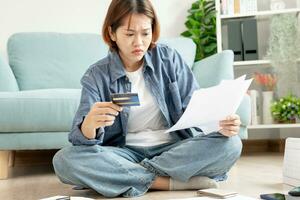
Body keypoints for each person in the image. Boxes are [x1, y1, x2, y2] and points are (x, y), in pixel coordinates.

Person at [53, 0, 242, 198]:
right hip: (122, 152)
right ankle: (165, 182)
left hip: (172, 148)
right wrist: (89, 125)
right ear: (111, 33)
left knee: (231, 144)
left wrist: (221, 123)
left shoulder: (168, 59)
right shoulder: (96, 75)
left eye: (145, 33)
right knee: (65, 160)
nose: (139, 42)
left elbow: (196, 107)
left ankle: (127, 174)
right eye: (129, 34)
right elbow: (79, 140)